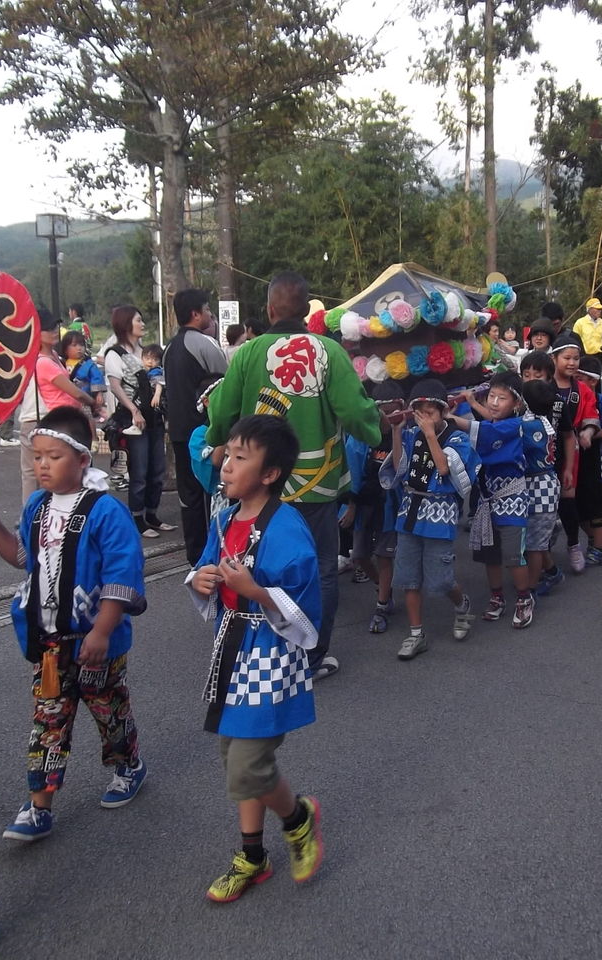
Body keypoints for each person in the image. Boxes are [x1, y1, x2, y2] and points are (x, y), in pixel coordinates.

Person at [0, 405, 147, 843]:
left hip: (94, 640)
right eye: (37, 456)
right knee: (48, 720)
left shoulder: (106, 512)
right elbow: (23, 559)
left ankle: (128, 765)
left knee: (108, 708)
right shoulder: (36, 507)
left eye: (54, 456)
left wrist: (102, 631)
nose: (43, 464)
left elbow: (120, 579)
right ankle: (39, 805)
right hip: (48, 641)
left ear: (83, 459)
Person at [206, 272, 381, 680]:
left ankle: (262, 653)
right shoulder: (329, 351)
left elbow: (222, 410)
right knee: (319, 567)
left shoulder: (248, 353)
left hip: (259, 483)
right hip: (316, 484)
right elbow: (355, 412)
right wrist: (374, 432)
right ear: (308, 311)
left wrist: (218, 440)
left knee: (258, 560)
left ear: (269, 309)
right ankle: (312, 657)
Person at [185, 415, 325, 903]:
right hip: (232, 645)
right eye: (228, 454)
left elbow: (304, 607)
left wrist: (257, 592)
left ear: (270, 473)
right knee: (234, 754)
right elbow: (207, 565)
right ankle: (253, 853)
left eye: (241, 457)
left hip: (269, 650)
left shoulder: (287, 527)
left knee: (247, 762)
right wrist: (202, 578)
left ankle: (297, 819)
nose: (225, 465)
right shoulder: (224, 517)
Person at [379, 379, 476, 660]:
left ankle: (462, 605)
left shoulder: (456, 437)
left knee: (441, 579)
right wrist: (397, 432)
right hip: (409, 510)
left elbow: (445, 468)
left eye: (430, 411)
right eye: (419, 411)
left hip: (440, 511)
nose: (424, 417)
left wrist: (430, 434)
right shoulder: (411, 433)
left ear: (443, 411)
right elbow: (399, 468)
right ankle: (416, 633)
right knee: (409, 578)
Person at [455, 372, 535, 628]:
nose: (494, 402)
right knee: (489, 553)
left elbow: (487, 427)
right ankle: (497, 596)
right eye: (491, 396)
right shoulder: (493, 423)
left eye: (502, 398)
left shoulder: (518, 424)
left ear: (517, 404)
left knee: (513, 553)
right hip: (487, 498)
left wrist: (448, 418)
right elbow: (487, 422)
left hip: (512, 496)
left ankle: (524, 598)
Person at [163, 289, 230, 567]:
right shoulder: (204, 344)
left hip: (179, 432)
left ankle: (195, 557)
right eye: (206, 309)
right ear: (195, 314)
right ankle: (214, 552)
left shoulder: (168, 349)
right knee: (213, 494)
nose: (209, 314)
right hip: (205, 435)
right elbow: (225, 387)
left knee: (188, 498)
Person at [104, 306, 171, 538]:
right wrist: (134, 410)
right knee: (139, 471)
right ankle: (137, 518)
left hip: (154, 418)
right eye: (138, 321)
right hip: (134, 419)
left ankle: (152, 514)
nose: (143, 324)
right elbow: (115, 386)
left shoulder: (146, 352)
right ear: (126, 324)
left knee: (157, 469)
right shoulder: (115, 354)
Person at [19, 310, 96, 501]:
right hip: (34, 419)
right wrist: (93, 402)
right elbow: (74, 392)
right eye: (48, 328)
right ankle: (29, 517)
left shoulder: (53, 355)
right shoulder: (41, 361)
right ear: (36, 333)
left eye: (55, 327)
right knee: (33, 474)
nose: (54, 331)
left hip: (52, 419)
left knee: (57, 473)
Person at [348, 381, 404, 635]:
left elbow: (402, 470)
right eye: (382, 410)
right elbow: (353, 471)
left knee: (384, 556)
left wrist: (397, 432)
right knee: (359, 555)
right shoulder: (361, 436)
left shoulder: (405, 434)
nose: (386, 415)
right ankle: (384, 586)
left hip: (390, 507)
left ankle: (382, 606)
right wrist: (349, 507)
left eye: (392, 409)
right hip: (363, 505)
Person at [551, 334, 601, 575]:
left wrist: (588, 433)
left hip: (571, 451)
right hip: (542, 449)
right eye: (566, 358)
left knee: (567, 497)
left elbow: (592, 418)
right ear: (554, 358)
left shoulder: (582, 390)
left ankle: (573, 543)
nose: (571, 363)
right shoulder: (543, 385)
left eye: (575, 358)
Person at [518, 378, 561, 597]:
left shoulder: (528, 425)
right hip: (544, 482)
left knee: (534, 544)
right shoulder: (542, 420)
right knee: (537, 538)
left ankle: (531, 589)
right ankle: (552, 571)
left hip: (540, 485)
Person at [572, 297, 602, 375]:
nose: (599, 311)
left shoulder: (601, 322)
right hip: (585, 356)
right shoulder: (580, 322)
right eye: (597, 309)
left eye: (600, 309)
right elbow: (575, 340)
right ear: (590, 310)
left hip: (599, 355)